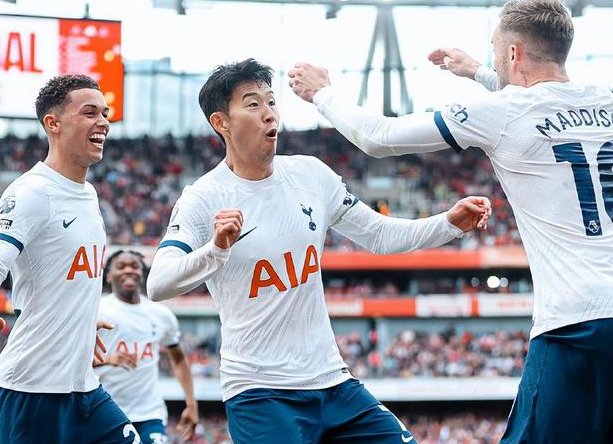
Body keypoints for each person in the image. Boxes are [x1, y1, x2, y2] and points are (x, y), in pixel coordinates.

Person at [288, 1, 613, 443]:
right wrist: (478, 71)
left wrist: (322, 93)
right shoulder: (604, 100)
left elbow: (380, 137)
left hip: (576, 324)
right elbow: (544, 101)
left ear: (513, 54)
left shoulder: (502, 112)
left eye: (496, 50)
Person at [146, 58, 491, 444]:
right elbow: (158, 284)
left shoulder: (310, 174)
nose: (269, 113)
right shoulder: (202, 198)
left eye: (271, 101)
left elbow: (378, 235)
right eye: (253, 104)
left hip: (332, 382)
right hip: (260, 392)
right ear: (221, 122)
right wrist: (216, 250)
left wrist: (448, 223)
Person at [0, 75, 141, 444]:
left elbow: (66, 275)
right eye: (90, 113)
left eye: (105, 113)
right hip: (29, 391)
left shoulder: (89, 194)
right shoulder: (31, 193)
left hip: (84, 388)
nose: (103, 122)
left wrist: (81, 320)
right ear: (54, 123)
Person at [96, 250, 198, 444]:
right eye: (121, 266)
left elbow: (178, 358)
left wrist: (191, 404)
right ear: (108, 275)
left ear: (142, 273)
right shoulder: (98, 310)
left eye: (134, 266)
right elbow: (75, 359)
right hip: (107, 411)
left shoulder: (161, 315)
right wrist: (108, 360)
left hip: (150, 413)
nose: (128, 270)